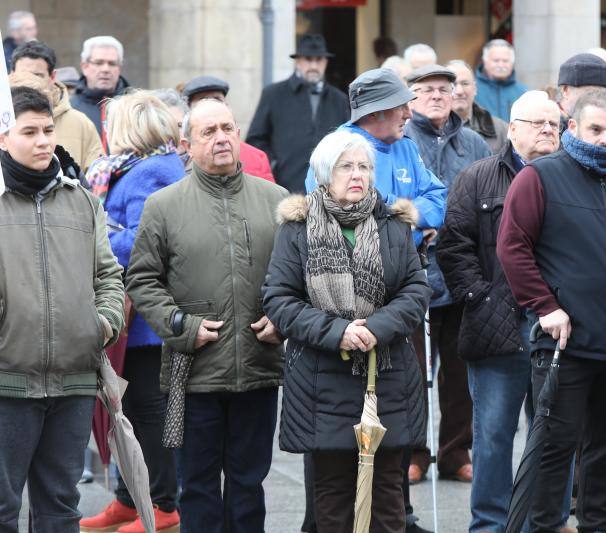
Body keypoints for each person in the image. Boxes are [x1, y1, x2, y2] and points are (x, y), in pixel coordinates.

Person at [496, 89, 606, 531]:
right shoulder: (538, 178)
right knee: (553, 451)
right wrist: (545, 306)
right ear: (571, 127)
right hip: (566, 345)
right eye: (595, 129)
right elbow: (513, 247)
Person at [125, 98, 288, 532]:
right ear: (187, 144)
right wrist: (180, 326)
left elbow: (298, 277)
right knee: (195, 486)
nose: (221, 138)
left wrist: (282, 319)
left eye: (227, 128)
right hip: (186, 369)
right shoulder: (163, 205)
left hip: (259, 364)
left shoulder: (276, 201)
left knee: (249, 484)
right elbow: (141, 280)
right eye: (208, 132)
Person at [263, 129, 430, 533]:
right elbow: (279, 299)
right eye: (347, 166)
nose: (358, 175)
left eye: (365, 167)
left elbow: (416, 289)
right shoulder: (297, 229)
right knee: (332, 496)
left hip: (387, 378)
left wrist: (376, 328)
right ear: (324, 173)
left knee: (388, 496)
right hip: (322, 380)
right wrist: (337, 331)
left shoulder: (392, 224)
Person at [305, 67, 446, 533]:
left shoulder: (405, 144)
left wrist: (409, 218)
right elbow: (328, 219)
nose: (411, 112)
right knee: (332, 449)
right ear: (377, 112)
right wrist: (394, 225)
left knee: (393, 432)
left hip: (394, 307)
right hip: (340, 318)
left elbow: (437, 194)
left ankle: (397, 516)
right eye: (402, 105)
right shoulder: (335, 150)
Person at [0, 86, 124, 532]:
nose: (42, 141)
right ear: (3, 136)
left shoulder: (82, 202)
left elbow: (109, 277)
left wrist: (102, 324)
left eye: (48, 130)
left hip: (73, 383)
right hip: (7, 384)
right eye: (28, 131)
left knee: (60, 509)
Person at [437, 90, 561, 533]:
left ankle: (545, 521)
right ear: (512, 128)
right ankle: (490, 525)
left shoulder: (571, 179)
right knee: (491, 438)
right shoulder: (478, 177)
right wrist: (480, 297)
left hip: (556, 328)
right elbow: (453, 247)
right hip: (497, 328)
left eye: (555, 124)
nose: (549, 131)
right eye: (537, 123)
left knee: (553, 436)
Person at [78, 91, 184, 533]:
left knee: (145, 408)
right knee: (130, 407)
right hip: (137, 312)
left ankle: (160, 503)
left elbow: (144, 240)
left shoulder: (149, 172)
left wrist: (99, 238)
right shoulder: (139, 168)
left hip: (145, 316)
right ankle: (128, 497)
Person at [404, 64, 491, 486]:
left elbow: (491, 195)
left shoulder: (472, 142)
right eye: (426, 89)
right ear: (410, 96)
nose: (437, 95)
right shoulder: (401, 140)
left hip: (462, 272)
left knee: (460, 373)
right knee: (413, 373)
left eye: (444, 88)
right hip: (413, 271)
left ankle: (456, 451)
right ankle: (414, 452)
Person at [247, 34, 349, 192]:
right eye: (308, 59)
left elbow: (348, 142)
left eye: (319, 60)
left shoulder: (339, 99)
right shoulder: (273, 94)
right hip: (283, 188)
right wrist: (274, 165)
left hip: (330, 191)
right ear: (298, 61)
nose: (314, 65)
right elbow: (255, 140)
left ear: (326, 62)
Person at [11, 40, 103, 170]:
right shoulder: (4, 119)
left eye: (37, 75)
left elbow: (96, 180)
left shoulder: (81, 123)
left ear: (53, 76)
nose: (30, 81)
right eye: (24, 75)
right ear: (11, 74)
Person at [182, 75, 275, 182]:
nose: (212, 106)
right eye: (202, 101)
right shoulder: (179, 160)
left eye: (217, 100)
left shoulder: (256, 158)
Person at [71, 35, 130, 151]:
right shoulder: (71, 107)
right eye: (98, 63)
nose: (105, 69)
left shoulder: (134, 106)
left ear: (119, 68)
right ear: (84, 66)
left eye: (112, 64)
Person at [447, 59, 508, 154]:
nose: (459, 91)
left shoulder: (501, 130)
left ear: (475, 88)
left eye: (465, 84)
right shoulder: (432, 130)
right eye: (453, 85)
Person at [556, 52, 606, 132]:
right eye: (590, 94)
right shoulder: (546, 130)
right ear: (565, 90)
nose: (598, 101)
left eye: (604, 95)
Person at [474, 39, 528, 122]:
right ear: (485, 61)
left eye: (505, 61)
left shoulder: (523, 92)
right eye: (496, 60)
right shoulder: (472, 89)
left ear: (512, 63)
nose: (501, 65)